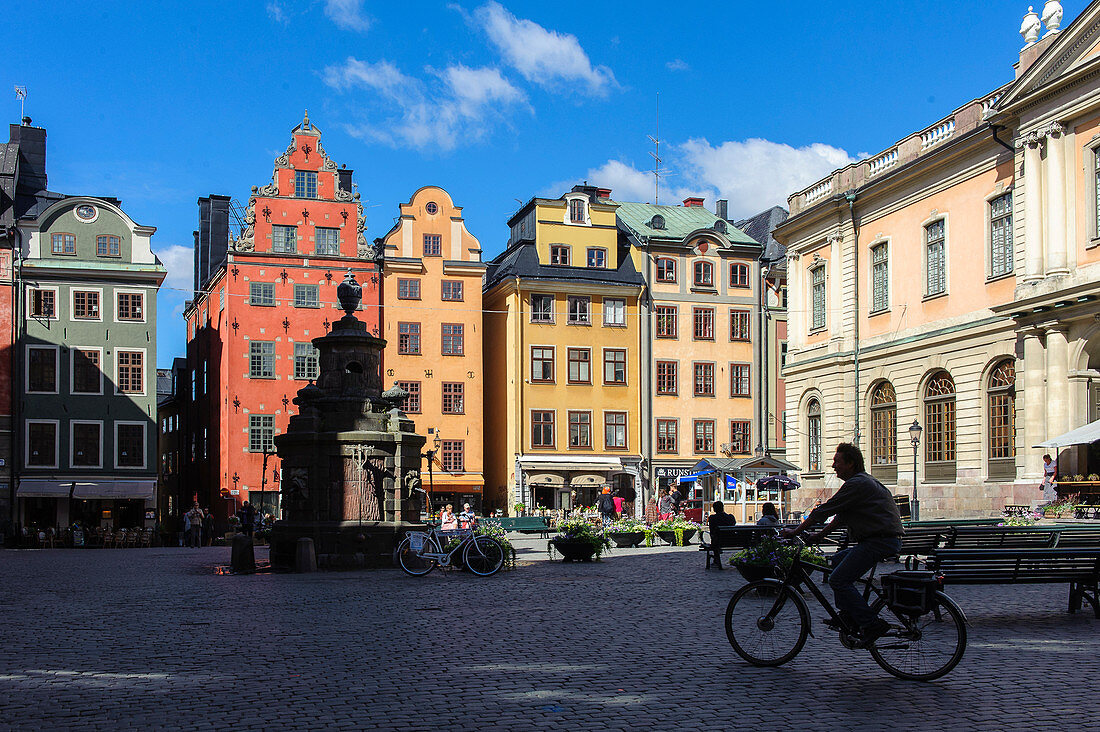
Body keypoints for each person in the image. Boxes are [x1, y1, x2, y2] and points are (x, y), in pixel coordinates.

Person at [780, 443, 903, 647]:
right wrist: (819, 535)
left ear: (851, 463)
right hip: (880, 539)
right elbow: (841, 516)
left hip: (879, 541)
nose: (834, 466)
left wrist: (795, 531)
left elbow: (825, 511)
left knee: (838, 580)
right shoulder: (862, 482)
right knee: (836, 561)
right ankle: (849, 614)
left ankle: (871, 624)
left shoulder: (857, 484)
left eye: (837, 462)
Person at [707, 501, 737, 570]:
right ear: (723, 508)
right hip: (733, 541)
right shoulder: (730, 517)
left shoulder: (712, 518)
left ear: (714, 509)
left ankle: (716, 560)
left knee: (715, 538)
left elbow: (712, 532)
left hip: (718, 542)